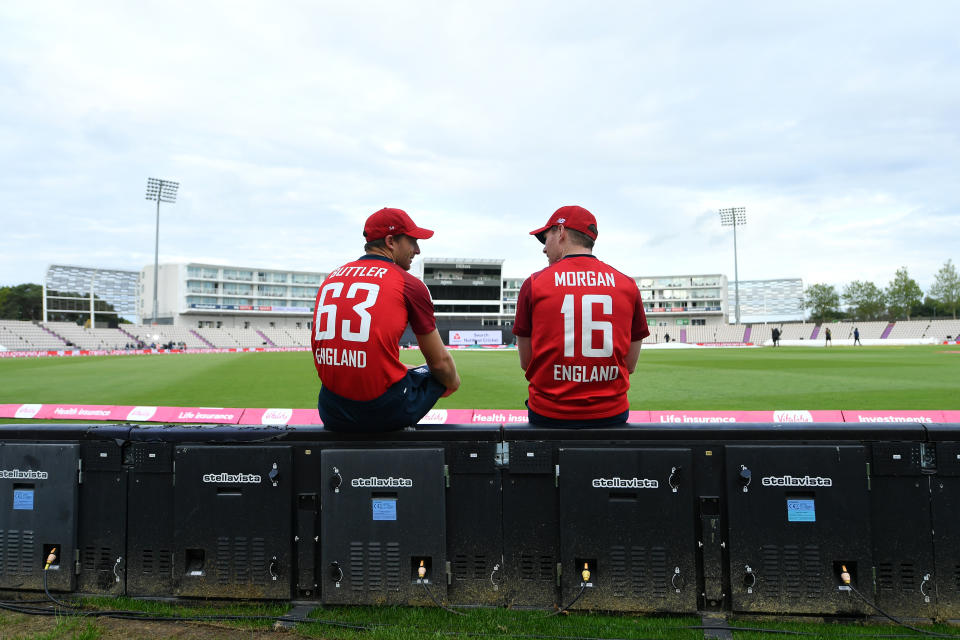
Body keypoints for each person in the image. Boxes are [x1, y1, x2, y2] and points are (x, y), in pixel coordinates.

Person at [311, 207, 460, 432]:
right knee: (438, 372)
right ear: (391, 241)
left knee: (411, 369)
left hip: (331, 410)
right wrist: (453, 384)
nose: (417, 250)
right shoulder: (408, 283)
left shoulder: (331, 277)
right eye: (412, 241)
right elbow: (441, 362)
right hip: (382, 412)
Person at [512, 205, 649, 427]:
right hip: (611, 414)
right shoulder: (627, 285)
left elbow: (527, 362)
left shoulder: (534, 284)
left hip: (549, 414)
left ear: (561, 232)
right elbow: (630, 365)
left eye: (546, 238)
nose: (544, 249)